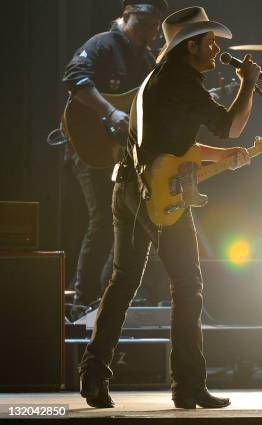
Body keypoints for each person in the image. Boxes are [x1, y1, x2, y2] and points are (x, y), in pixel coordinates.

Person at [78, 6, 261, 409]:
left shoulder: (156, 81)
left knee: (123, 282)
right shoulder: (182, 82)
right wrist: (248, 85)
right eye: (209, 42)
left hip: (127, 185)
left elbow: (177, 149)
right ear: (189, 45)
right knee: (188, 285)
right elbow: (231, 126)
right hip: (153, 193)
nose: (216, 49)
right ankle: (188, 385)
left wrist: (227, 157)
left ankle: (93, 375)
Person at [62, 0, 167, 315]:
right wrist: (109, 111)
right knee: (103, 223)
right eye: (143, 23)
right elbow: (74, 77)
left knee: (131, 222)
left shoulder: (146, 59)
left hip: (123, 154)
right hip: (91, 146)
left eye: (154, 27)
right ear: (126, 16)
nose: (149, 32)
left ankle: (110, 297)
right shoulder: (102, 44)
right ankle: (83, 301)